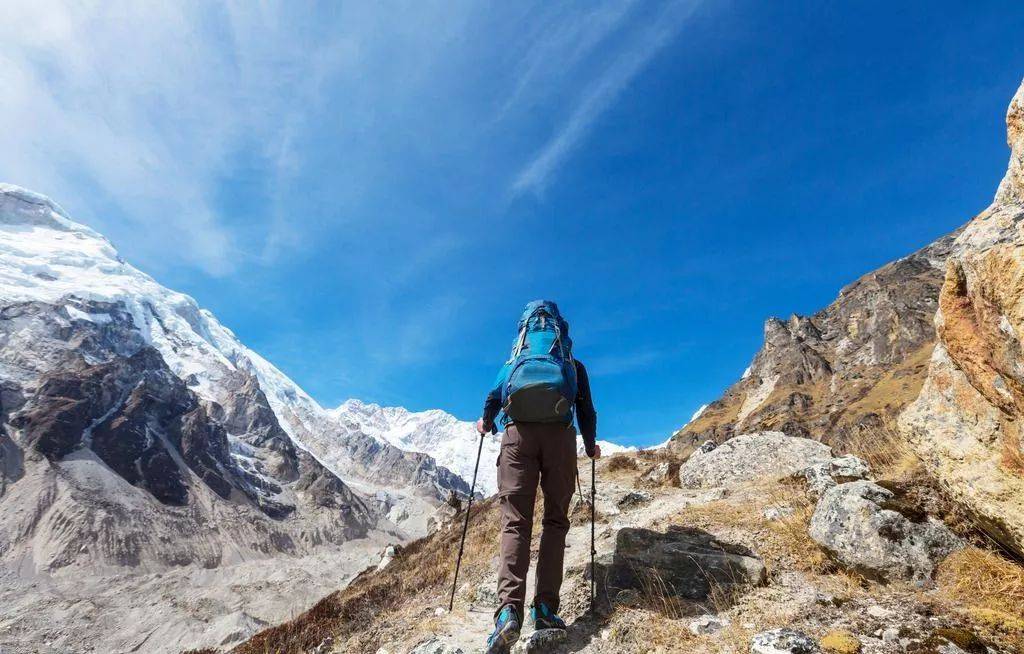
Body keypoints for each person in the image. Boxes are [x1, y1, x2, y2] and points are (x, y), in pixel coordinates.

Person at [478, 300, 600, 654]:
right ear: (561, 331)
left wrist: (486, 423)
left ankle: (507, 614)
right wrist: (590, 446)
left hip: (518, 438)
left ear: (525, 330)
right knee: (555, 522)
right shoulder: (571, 365)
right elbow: (586, 410)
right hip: (560, 438)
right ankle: (545, 609)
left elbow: (492, 398)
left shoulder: (515, 360)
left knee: (515, 523)